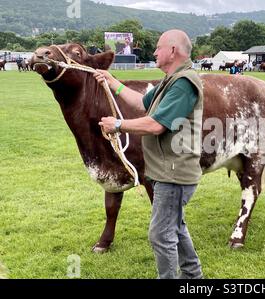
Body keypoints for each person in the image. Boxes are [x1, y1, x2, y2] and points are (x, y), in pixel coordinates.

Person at [94, 29, 204, 279]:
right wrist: (113, 83)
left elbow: (156, 124)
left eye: (158, 47)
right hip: (167, 171)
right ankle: (193, 277)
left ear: (173, 51)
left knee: (161, 234)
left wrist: (119, 125)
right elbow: (143, 103)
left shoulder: (184, 83)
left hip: (173, 174)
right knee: (175, 226)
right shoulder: (170, 80)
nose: (154, 52)